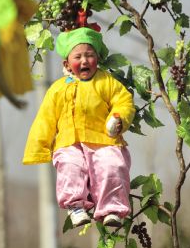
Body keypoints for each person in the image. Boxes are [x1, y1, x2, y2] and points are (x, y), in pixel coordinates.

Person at [23, 19, 135, 228]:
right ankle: (76, 206)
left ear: (98, 58)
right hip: (69, 142)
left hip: (103, 141)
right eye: (78, 56)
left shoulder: (106, 82)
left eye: (90, 55)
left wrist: (119, 118)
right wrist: (38, 148)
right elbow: (45, 118)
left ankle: (112, 209)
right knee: (70, 166)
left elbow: (124, 101)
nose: (84, 60)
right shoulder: (57, 89)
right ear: (67, 64)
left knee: (113, 165)